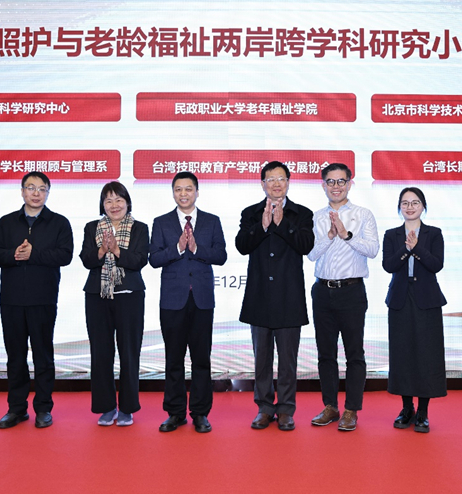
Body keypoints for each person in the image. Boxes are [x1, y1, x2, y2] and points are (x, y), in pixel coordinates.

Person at [0, 171, 73, 429]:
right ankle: (16, 409)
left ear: (48, 192)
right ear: (22, 191)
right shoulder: (7, 222)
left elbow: (65, 255)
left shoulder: (59, 223)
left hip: (43, 299)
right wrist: (14, 255)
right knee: (15, 356)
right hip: (11, 300)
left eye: (42, 189)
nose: (36, 193)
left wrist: (33, 254)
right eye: (31, 188)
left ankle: (43, 409)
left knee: (43, 356)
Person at [236, 161, 314, 431]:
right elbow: (242, 246)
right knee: (262, 359)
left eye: (281, 179)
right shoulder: (250, 213)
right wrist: (262, 226)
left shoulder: (302, 214)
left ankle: (286, 409)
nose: (276, 184)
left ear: (288, 182)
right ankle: (264, 408)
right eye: (271, 179)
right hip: (259, 296)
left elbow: (306, 246)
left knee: (288, 360)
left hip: (289, 296)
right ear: (263, 184)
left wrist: (282, 224)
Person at [149, 172, 227, 433]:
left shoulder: (212, 221)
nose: (183, 194)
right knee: (174, 359)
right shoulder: (161, 222)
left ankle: (200, 413)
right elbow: (154, 259)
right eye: (178, 189)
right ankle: (175, 413)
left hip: (202, 300)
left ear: (197, 192)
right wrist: (178, 249)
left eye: (188, 189)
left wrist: (195, 249)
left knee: (201, 358)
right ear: (173, 192)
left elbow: (221, 255)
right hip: (173, 300)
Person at [307, 163, 379, 431]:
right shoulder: (316, 217)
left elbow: (372, 250)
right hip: (322, 291)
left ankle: (351, 410)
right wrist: (329, 236)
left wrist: (346, 235)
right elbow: (311, 254)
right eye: (330, 181)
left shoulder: (363, 215)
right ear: (323, 185)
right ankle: (330, 406)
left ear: (350, 184)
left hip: (351, 291)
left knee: (354, 353)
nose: (335, 186)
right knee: (325, 354)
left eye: (341, 181)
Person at [80, 182, 149, 427]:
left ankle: (127, 408)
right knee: (101, 353)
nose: (114, 205)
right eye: (108, 200)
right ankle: (106, 407)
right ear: (102, 205)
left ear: (127, 202)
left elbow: (140, 260)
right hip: (97, 295)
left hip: (129, 295)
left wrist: (117, 251)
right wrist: (101, 250)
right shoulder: (92, 228)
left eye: (119, 199)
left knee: (129, 352)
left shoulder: (140, 228)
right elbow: (86, 259)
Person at [382, 187, 447, 433]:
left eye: (415, 202)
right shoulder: (391, 235)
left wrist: (417, 247)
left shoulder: (434, 233)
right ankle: (406, 408)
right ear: (399, 207)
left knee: (426, 354)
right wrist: (406, 249)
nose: (410, 207)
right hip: (400, 299)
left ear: (423, 206)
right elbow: (389, 265)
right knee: (403, 355)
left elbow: (436, 264)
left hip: (427, 300)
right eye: (405, 203)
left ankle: (423, 412)